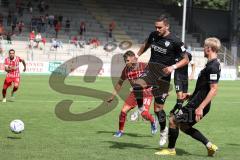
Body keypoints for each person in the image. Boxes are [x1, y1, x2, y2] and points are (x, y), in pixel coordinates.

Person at [155, 37, 221, 156]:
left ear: (209, 48)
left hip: (197, 105)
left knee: (173, 120)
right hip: (197, 101)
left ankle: (171, 150)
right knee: (184, 126)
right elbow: (204, 88)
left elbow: (214, 89)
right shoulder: (212, 64)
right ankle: (210, 146)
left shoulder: (213, 66)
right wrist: (191, 95)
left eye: (204, 47)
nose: (203, 49)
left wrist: (200, 107)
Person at [132, 14, 189, 147]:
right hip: (151, 71)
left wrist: (173, 67)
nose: (157, 29)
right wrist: (137, 55)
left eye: (160, 27)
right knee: (137, 86)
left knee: (158, 109)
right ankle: (140, 108)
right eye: (156, 27)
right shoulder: (153, 35)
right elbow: (146, 44)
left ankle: (163, 131)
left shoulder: (175, 41)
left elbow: (186, 59)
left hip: (164, 78)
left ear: (167, 26)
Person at [107, 50, 157, 137]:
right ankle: (120, 131)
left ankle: (153, 121)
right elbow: (119, 83)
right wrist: (113, 96)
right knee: (123, 112)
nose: (126, 63)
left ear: (134, 59)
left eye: (127, 61)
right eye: (125, 61)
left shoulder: (144, 66)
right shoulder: (126, 70)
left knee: (144, 114)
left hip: (146, 92)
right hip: (134, 93)